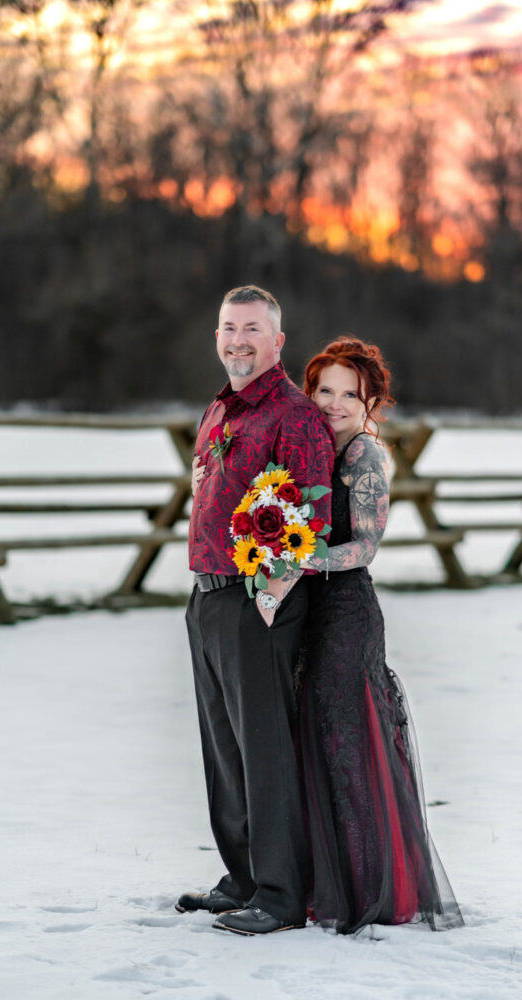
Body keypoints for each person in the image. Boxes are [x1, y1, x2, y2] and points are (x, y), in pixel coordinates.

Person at [178, 285, 335, 936]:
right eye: (226, 326)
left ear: (276, 342)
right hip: (205, 595)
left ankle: (278, 893)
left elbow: (313, 515)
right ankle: (241, 876)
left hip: (257, 603)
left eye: (251, 328)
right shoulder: (218, 410)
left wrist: (272, 592)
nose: (236, 338)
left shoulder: (292, 415)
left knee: (265, 750)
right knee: (223, 749)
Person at [299, 336, 464, 934]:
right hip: (304, 611)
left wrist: (300, 558)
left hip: (345, 614)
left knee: (349, 745)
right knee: (312, 741)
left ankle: (371, 889)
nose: (335, 403)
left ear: (370, 403)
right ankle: (323, 881)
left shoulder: (366, 456)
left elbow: (366, 545)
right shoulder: (309, 445)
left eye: (350, 394)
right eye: (325, 390)